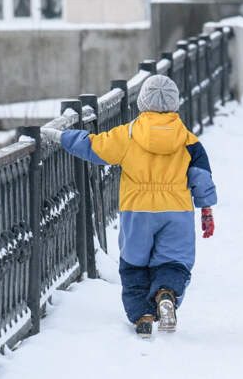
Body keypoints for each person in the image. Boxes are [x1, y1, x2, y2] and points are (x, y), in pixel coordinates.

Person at [40, 75, 217, 338]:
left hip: (138, 211)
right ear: (175, 104)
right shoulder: (189, 140)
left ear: (142, 103)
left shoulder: (129, 134)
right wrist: (206, 208)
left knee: (134, 264)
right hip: (176, 210)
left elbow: (94, 147)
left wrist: (62, 136)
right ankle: (166, 294)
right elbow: (201, 177)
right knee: (174, 261)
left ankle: (142, 316)